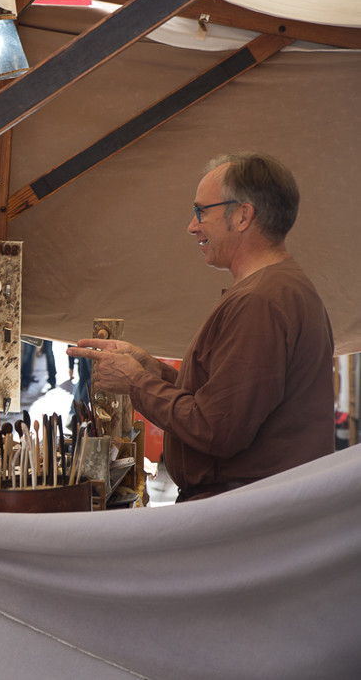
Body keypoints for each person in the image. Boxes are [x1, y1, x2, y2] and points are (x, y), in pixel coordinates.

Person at [69, 152, 334, 501]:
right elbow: (227, 399)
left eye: (201, 211)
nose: (192, 226)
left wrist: (136, 382)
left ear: (242, 215)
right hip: (249, 506)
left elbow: (217, 429)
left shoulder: (262, 301)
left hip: (244, 512)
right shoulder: (273, 290)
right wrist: (151, 369)